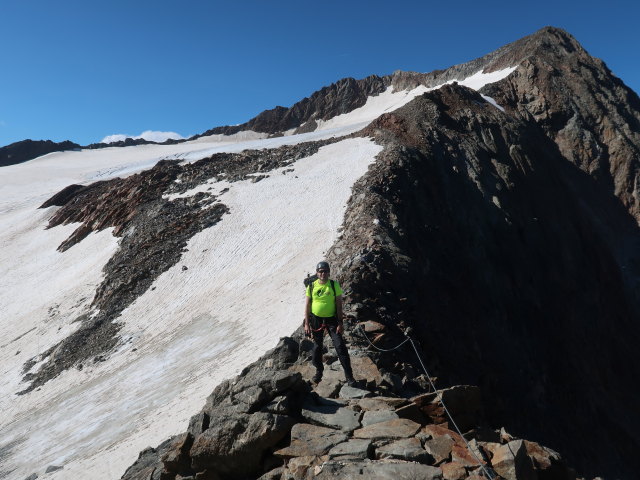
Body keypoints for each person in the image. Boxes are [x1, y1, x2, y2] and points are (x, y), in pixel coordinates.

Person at [304, 261, 356, 386]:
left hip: (332, 319)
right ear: (317, 273)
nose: (323, 274)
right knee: (317, 348)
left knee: (340, 346)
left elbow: (339, 304)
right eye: (321, 271)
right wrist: (307, 324)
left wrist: (340, 323)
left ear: (329, 272)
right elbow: (307, 305)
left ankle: (349, 376)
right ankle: (319, 371)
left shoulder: (334, 285)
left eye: (325, 271)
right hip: (316, 319)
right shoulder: (311, 286)